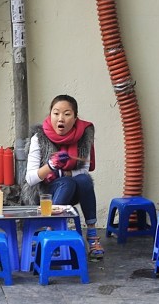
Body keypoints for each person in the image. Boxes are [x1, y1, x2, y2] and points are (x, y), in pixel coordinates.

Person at [22, 95, 104, 260]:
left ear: (75, 118)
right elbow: (30, 178)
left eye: (67, 114)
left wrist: (62, 173)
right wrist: (50, 167)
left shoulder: (84, 135)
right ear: (50, 115)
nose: (61, 118)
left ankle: (92, 234)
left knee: (84, 180)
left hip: (72, 190)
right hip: (44, 193)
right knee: (67, 182)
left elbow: (85, 170)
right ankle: (50, 232)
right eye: (56, 113)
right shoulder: (39, 137)